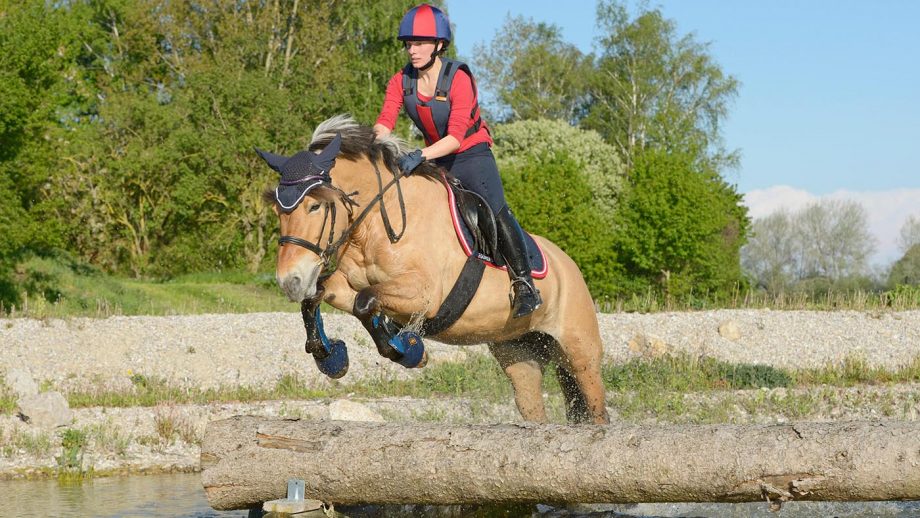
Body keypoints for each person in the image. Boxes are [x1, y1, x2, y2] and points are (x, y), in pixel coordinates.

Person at [373, 3, 542, 319]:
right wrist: (371, 146)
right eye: (409, 43)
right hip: (435, 159)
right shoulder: (400, 81)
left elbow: (455, 137)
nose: (412, 50)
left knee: (494, 208)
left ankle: (525, 283)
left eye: (420, 43)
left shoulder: (458, 78)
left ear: (439, 45)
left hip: (471, 154)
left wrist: (419, 155)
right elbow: (385, 123)